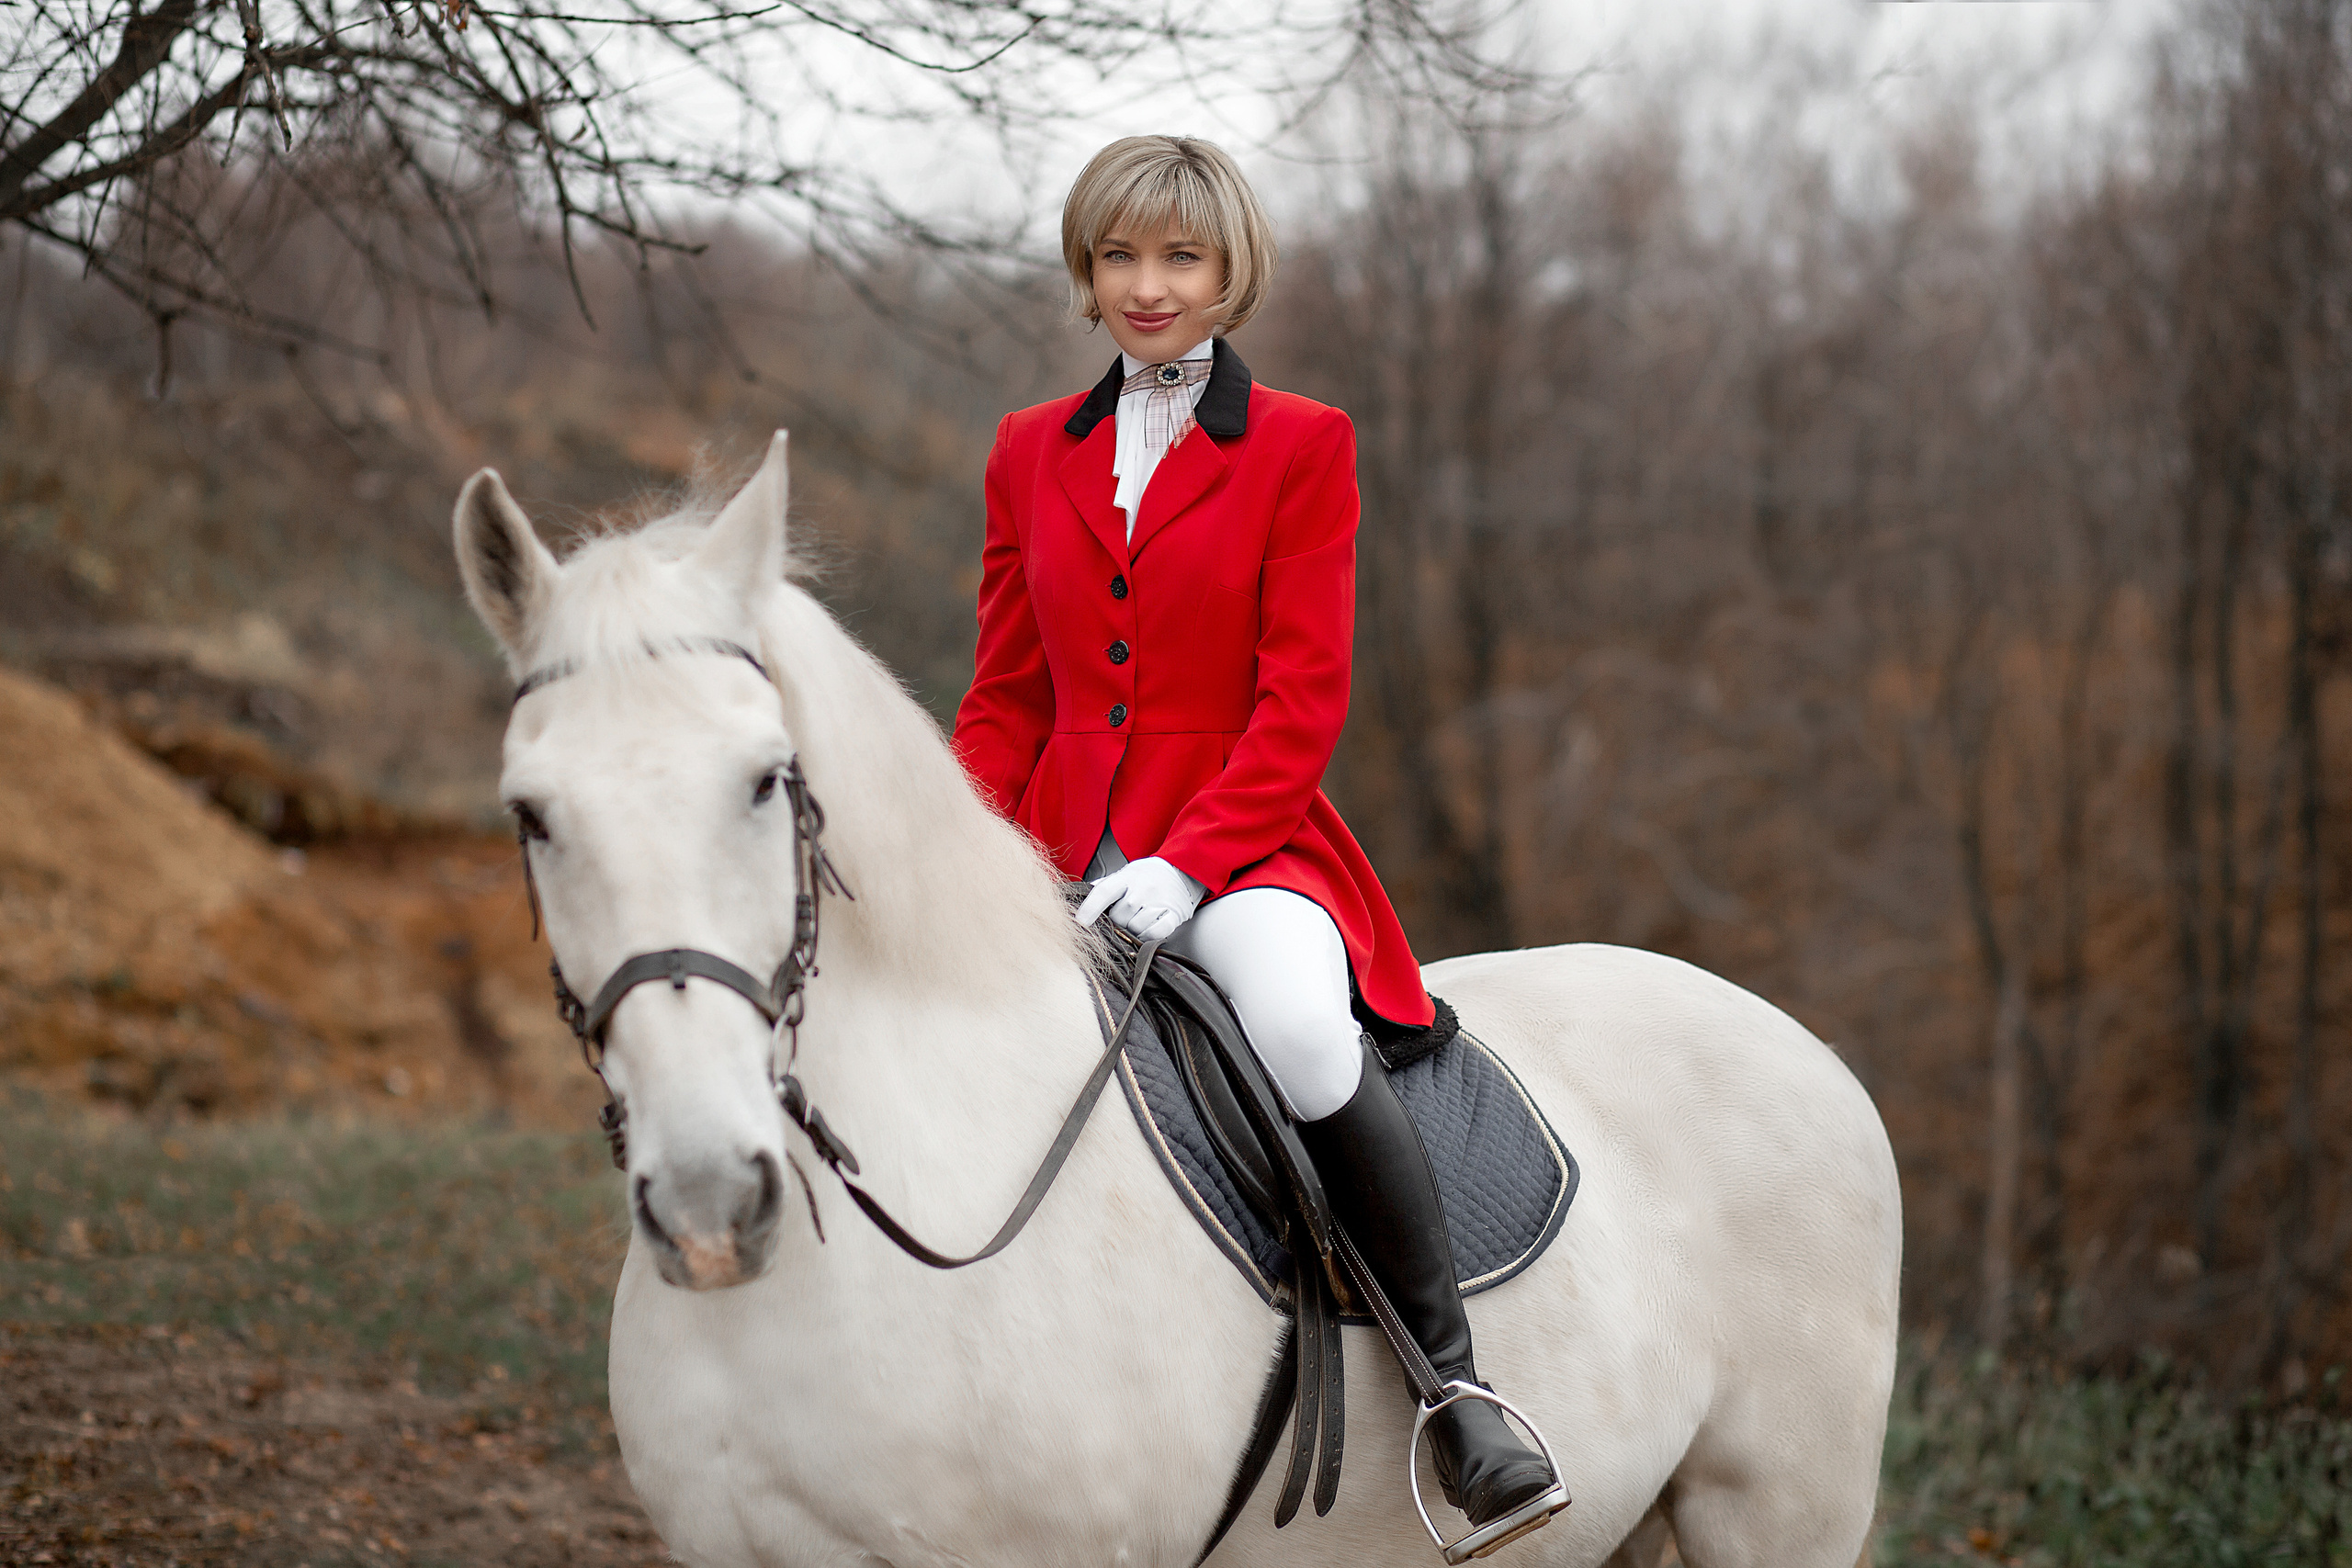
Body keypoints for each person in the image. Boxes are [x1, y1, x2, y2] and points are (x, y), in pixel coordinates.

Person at [950, 134, 1565, 1542]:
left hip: (1239, 839)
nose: (1147, 287)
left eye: (1180, 258)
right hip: (1048, 840)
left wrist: (1186, 862)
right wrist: (954, 842)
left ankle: (1458, 1395)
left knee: (1292, 1021)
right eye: (1119, 257)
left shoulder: (1303, 445)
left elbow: (1303, 697)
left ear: (1232, 273)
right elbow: (1004, 696)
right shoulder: (1027, 452)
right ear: (1085, 270)